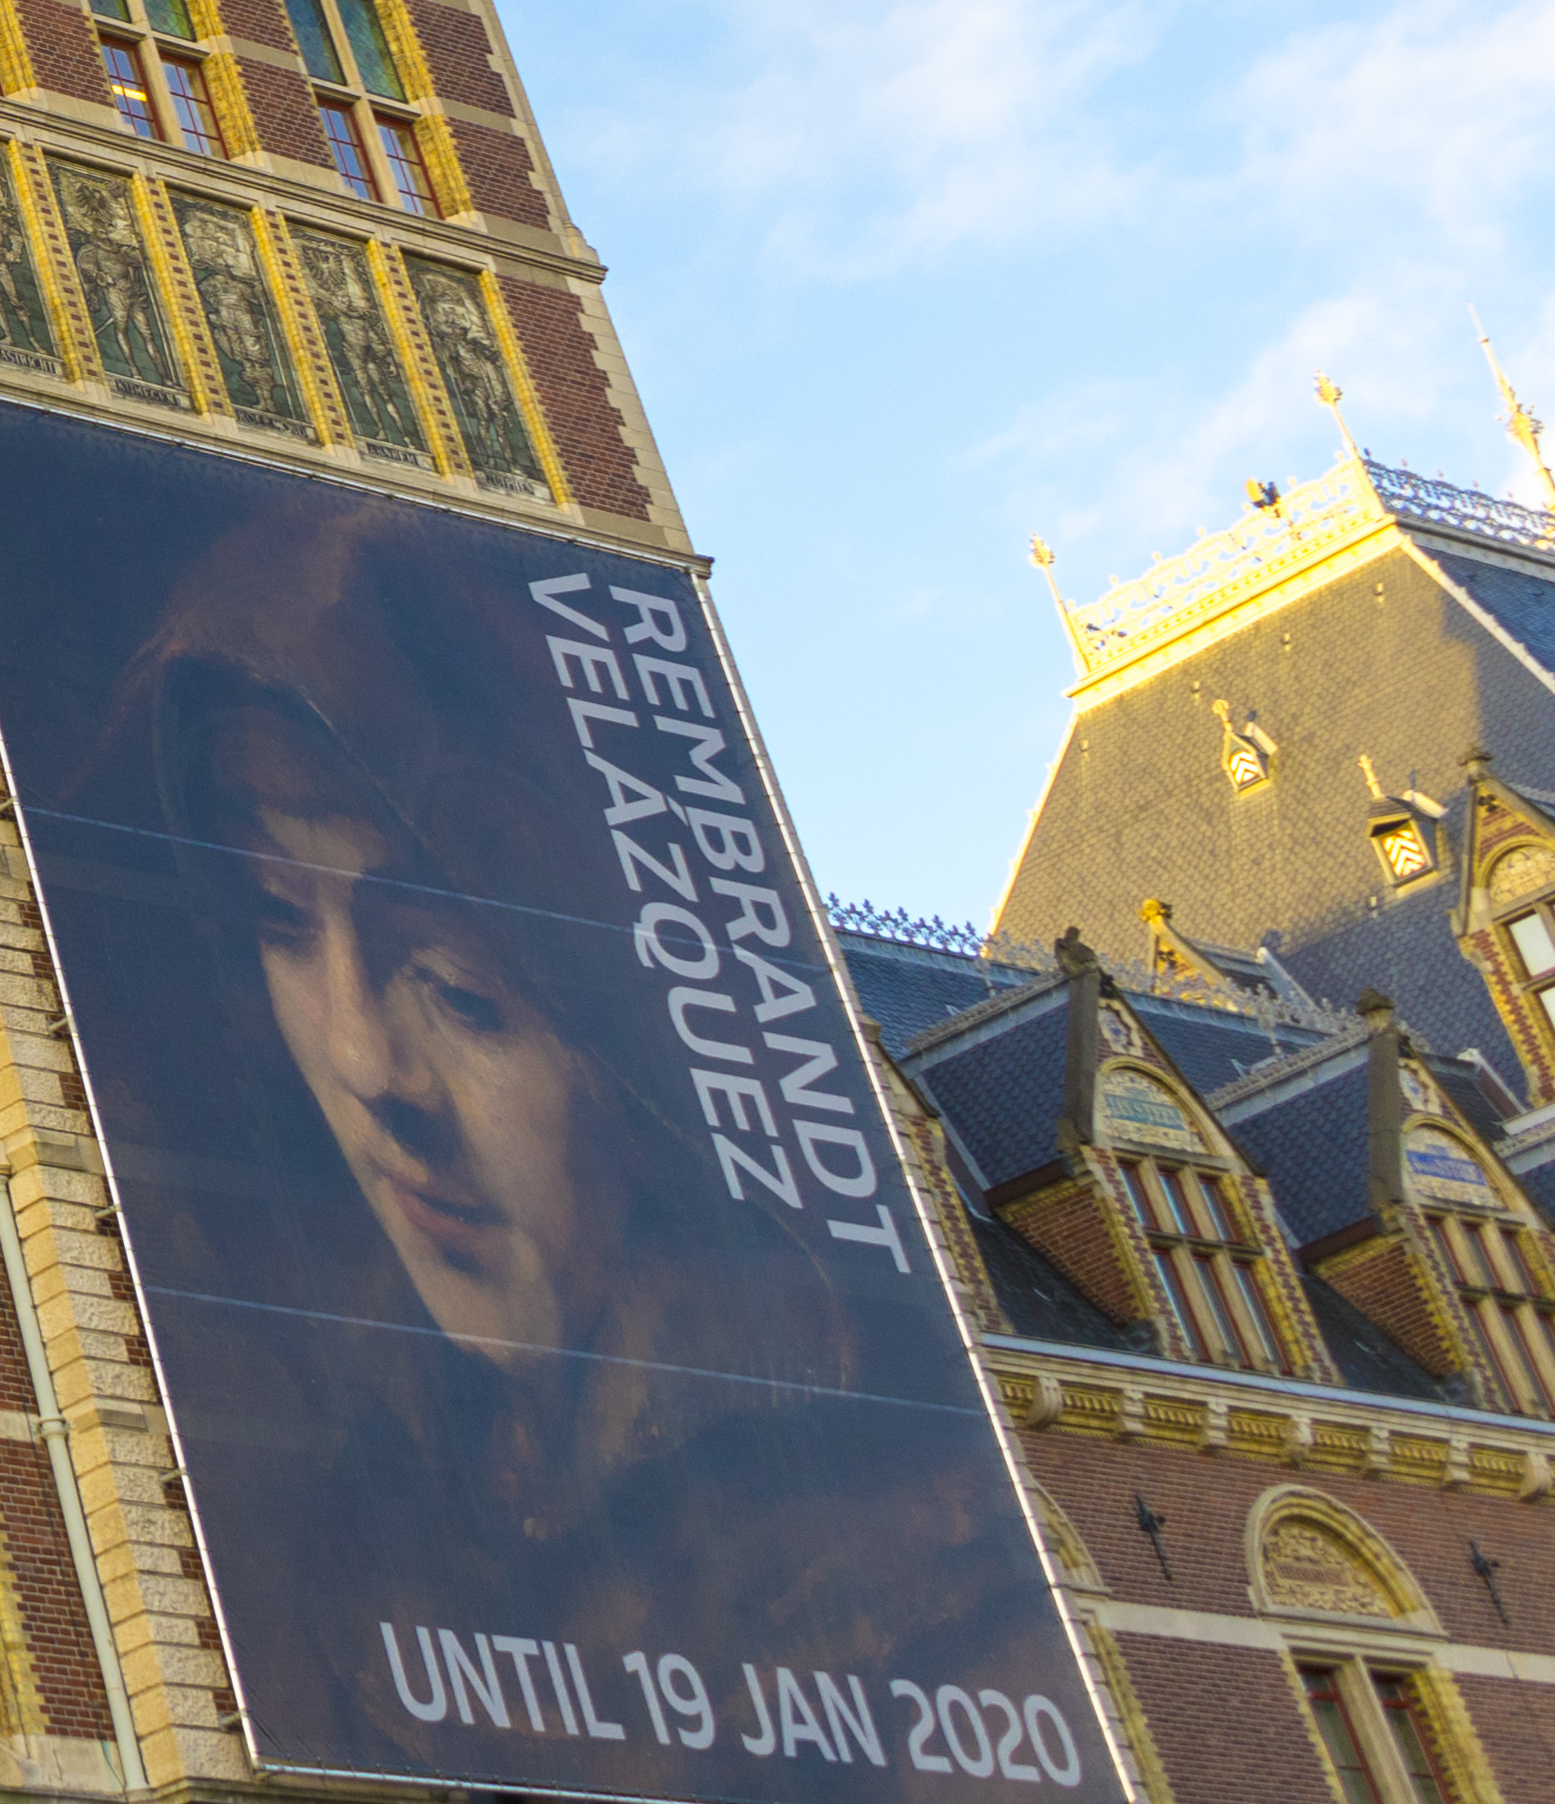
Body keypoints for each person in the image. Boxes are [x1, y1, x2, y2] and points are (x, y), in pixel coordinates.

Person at [74, 488, 1061, 1761]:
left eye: (458, 990)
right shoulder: (367, 1513)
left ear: (616, 1041)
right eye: (278, 925)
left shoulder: (902, 1535)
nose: (370, 1067)